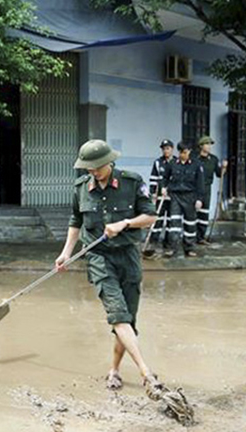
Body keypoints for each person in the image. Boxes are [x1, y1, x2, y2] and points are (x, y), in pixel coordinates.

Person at [55, 140, 163, 396]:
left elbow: (150, 218)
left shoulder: (132, 182)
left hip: (128, 257)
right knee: (118, 315)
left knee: (128, 320)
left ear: (109, 162)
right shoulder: (81, 187)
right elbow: (76, 221)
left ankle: (114, 369)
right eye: (87, 168)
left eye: (95, 168)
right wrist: (65, 253)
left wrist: (125, 223)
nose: (91, 172)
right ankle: (147, 373)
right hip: (99, 258)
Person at [161, 141, 204, 258]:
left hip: (190, 197)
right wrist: (163, 187)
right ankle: (172, 248)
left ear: (189, 151)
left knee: (190, 223)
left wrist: (199, 199)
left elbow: (200, 184)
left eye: (185, 152)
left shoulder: (196, 165)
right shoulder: (173, 163)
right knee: (174, 223)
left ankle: (189, 248)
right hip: (175, 196)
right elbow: (165, 177)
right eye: (180, 152)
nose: (182, 155)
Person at [194, 136, 227, 244]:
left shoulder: (213, 159)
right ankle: (192, 237)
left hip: (207, 189)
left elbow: (219, 174)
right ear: (201, 146)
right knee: (193, 213)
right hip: (195, 188)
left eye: (210, 144)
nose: (209, 146)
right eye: (207, 144)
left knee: (204, 213)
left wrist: (223, 168)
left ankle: (201, 237)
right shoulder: (194, 159)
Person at [146, 139, 175, 256]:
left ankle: (168, 243)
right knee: (158, 219)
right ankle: (153, 241)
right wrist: (153, 193)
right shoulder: (158, 162)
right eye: (164, 149)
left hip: (172, 197)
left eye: (168, 148)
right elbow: (153, 179)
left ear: (172, 149)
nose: (166, 151)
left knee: (170, 220)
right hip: (160, 197)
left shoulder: (177, 162)